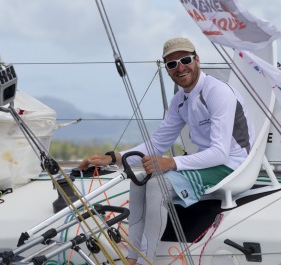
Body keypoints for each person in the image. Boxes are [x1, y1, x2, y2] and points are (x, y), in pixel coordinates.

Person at [78, 37, 255, 264]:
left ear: (197, 60)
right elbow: (157, 144)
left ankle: (145, 261)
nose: (180, 67)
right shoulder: (179, 100)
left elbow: (220, 153)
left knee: (156, 185)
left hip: (232, 164)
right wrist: (114, 157)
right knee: (139, 179)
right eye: (172, 64)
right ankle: (132, 258)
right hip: (208, 161)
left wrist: (171, 163)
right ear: (167, 70)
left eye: (185, 60)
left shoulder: (216, 92)